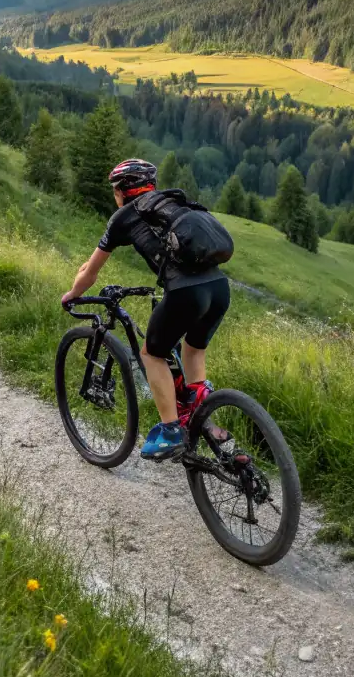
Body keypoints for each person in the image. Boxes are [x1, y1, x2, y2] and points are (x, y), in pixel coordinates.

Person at [61, 158, 231, 461]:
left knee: (151, 354)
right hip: (219, 288)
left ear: (123, 190)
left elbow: (91, 272)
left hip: (185, 293)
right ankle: (200, 410)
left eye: (115, 189)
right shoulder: (174, 204)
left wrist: (72, 294)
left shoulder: (124, 216)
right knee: (193, 349)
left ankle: (170, 431)